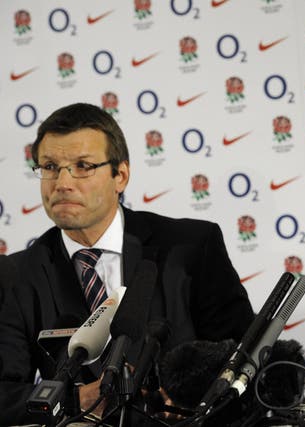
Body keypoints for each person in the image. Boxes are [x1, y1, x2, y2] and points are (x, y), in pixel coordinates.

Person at [0, 103, 255, 424]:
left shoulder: (191, 247)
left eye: (82, 166)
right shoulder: (15, 275)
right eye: (50, 166)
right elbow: (4, 394)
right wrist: (75, 399)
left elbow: (246, 357)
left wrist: (191, 398)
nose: (62, 183)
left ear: (120, 175)